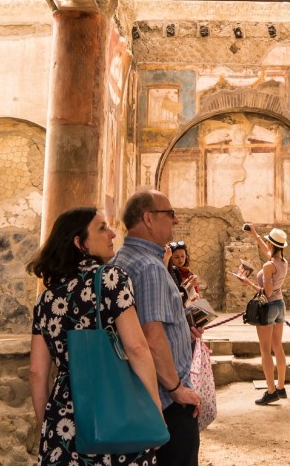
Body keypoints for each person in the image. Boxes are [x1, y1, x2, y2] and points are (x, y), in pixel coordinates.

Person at [28, 207, 161, 466]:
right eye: (102, 228)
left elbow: (36, 373)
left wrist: (48, 424)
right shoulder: (112, 279)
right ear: (80, 243)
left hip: (65, 421)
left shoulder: (45, 299)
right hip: (116, 409)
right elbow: (136, 347)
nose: (112, 233)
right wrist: (154, 407)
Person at [113, 191, 201, 466]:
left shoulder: (121, 259)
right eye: (169, 213)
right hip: (167, 403)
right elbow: (151, 337)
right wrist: (176, 388)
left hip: (137, 397)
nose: (175, 220)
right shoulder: (149, 267)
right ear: (148, 218)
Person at [236, 224, 289, 405]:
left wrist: (247, 283)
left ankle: (271, 390)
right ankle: (281, 387)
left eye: (268, 242)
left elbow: (265, 293)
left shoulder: (268, 267)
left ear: (272, 244)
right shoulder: (282, 262)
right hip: (280, 305)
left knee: (265, 350)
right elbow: (269, 252)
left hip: (268, 307)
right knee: (278, 346)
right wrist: (255, 235)